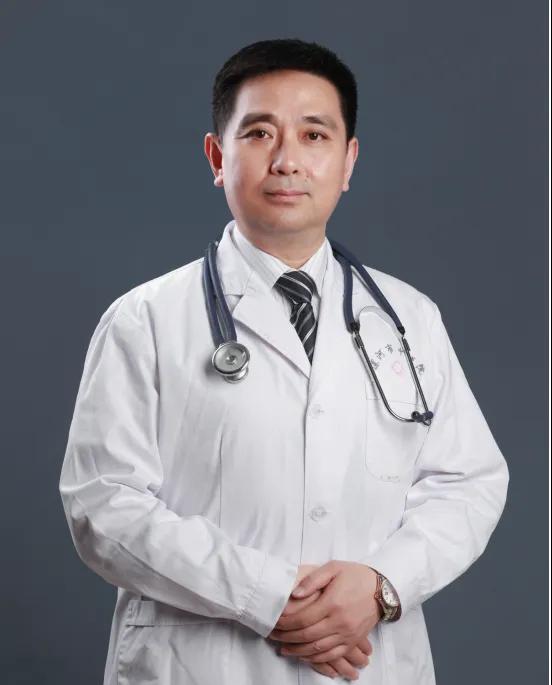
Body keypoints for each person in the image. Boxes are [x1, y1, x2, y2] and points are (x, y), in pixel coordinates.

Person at [59, 38, 509, 685]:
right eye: (260, 133)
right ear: (218, 158)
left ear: (348, 161)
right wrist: (267, 595)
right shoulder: (144, 320)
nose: (287, 160)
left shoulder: (411, 318)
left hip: (369, 661)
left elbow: (469, 483)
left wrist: (381, 584)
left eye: (314, 135)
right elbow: (102, 505)